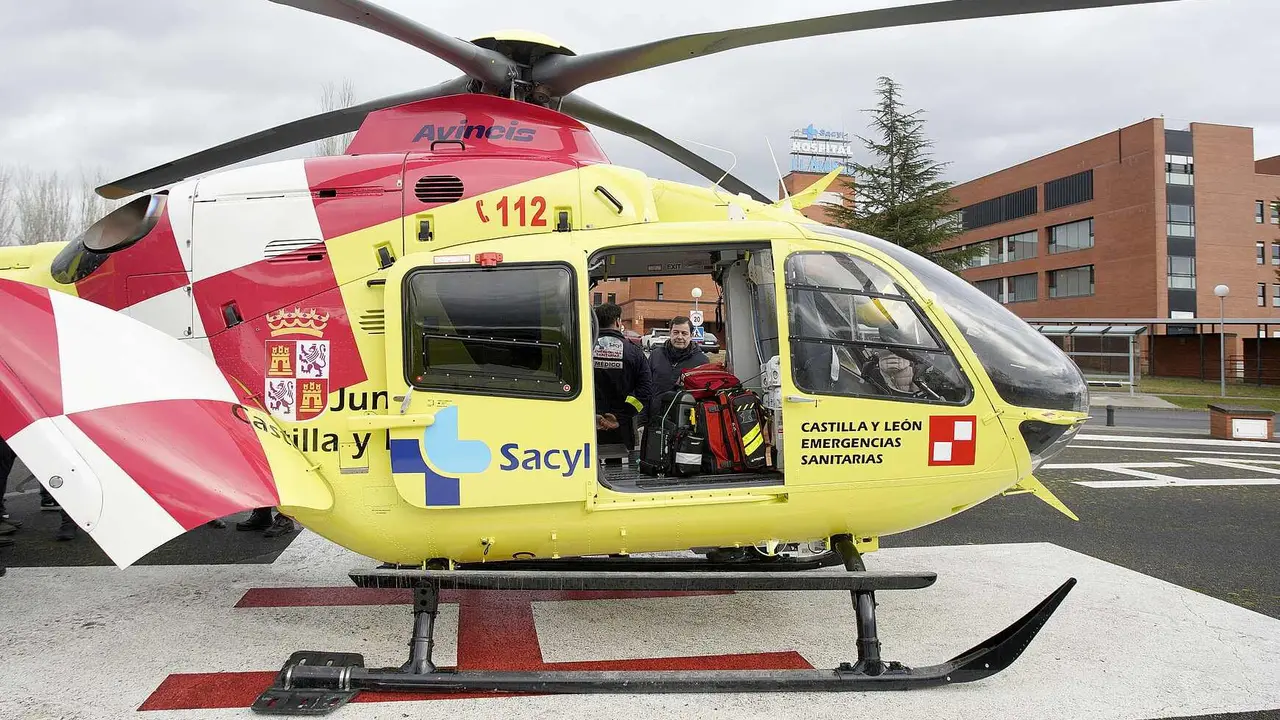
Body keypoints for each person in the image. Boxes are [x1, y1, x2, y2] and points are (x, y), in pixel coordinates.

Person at [592, 303, 652, 461]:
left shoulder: (585, 348)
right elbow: (645, 392)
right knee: (617, 467)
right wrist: (621, 416)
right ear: (618, 322)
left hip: (588, 423)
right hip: (620, 427)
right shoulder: (634, 352)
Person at [644, 316, 710, 424]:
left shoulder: (702, 362)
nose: (679, 337)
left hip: (685, 424)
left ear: (691, 336)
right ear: (670, 333)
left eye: (684, 333)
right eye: (676, 332)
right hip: (654, 421)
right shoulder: (656, 355)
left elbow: (705, 398)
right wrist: (641, 420)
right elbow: (644, 388)